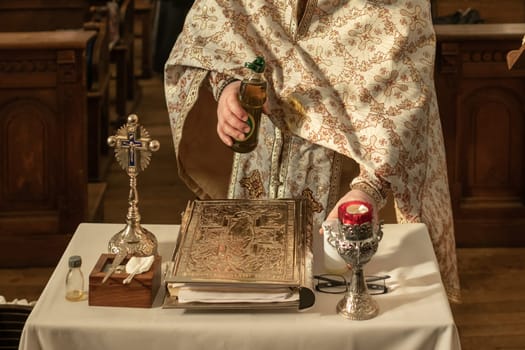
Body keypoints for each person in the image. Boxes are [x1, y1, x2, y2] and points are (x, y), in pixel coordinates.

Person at [164, 0, 461, 302]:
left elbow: (406, 91)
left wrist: (370, 187)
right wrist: (227, 85)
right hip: (260, 152)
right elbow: (214, 26)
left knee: (337, 310)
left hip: (349, 178)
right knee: (250, 298)